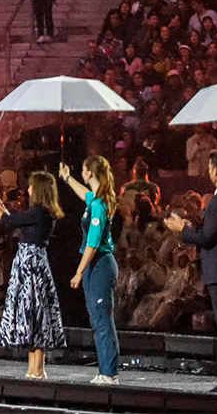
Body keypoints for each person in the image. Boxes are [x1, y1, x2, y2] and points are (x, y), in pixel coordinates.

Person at [163, 151, 217, 394]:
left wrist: (182, 230)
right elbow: (213, 231)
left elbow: (209, 237)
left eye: (209, 167)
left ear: (214, 170)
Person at [0, 172, 66, 380]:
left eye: (32, 186)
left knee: (36, 313)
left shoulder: (40, 212)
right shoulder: (39, 212)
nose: (28, 190)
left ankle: (39, 368)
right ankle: (34, 368)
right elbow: (12, 218)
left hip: (31, 264)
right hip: (28, 262)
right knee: (32, 313)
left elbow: (8, 220)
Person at [59, 156, 120, 385]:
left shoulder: (100, 204)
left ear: (90, 173)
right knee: (97, 318)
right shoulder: (96, 199)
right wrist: (67, 179)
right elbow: (85, 193)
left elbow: (93, 242)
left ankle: (109, 372)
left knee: (102, 319)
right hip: (95, 266)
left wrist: (78, 271)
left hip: (100, 264)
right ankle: (106, 369)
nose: (81, 173)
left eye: (83, 170)